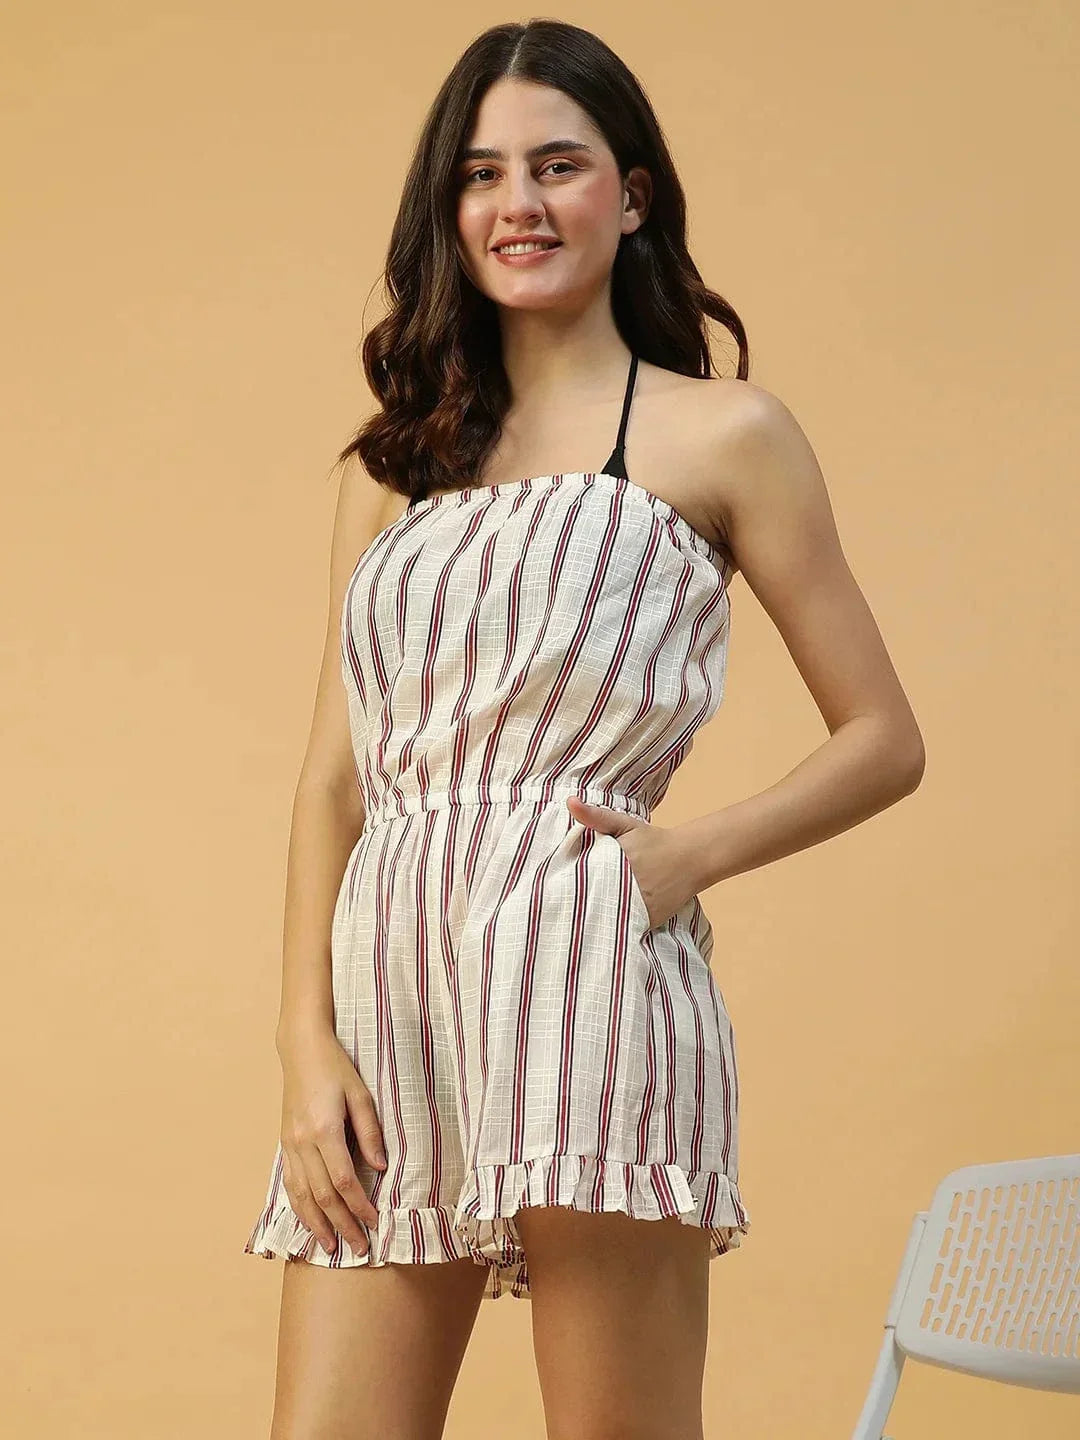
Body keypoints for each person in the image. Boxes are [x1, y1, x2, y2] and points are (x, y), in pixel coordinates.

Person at [243, 18, 925, 1439]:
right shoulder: (393, 467)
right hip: (387, 994)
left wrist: (689, 857)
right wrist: (307, 1047)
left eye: (559, 165)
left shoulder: (723, 435)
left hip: (586, 969)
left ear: (634, 194)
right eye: (483, 174)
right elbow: (332, 782)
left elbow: (883, 737)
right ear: (451, 210)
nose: (521, 203)